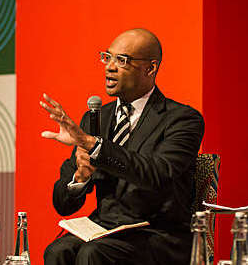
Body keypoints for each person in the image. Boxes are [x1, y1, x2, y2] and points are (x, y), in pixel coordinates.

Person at [40, 28, 204, 265]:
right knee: (57, 251)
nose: (110, 67)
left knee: (93, 254)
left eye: (122, 60)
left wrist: (95, 146)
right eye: (107, 57)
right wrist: (80, 177)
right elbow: (62, 205)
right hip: (104, 228)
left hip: (157, 233)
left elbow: (158, 173)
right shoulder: (97, 118)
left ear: (151, 68)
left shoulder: (182, 119)